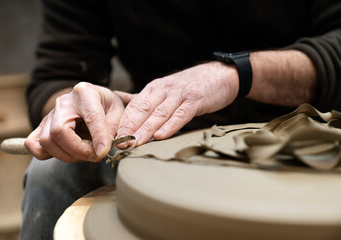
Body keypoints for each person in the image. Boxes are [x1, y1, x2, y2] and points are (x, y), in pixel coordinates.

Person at [20, 0, 341, 239]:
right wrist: (81, 114)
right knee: (51, 172)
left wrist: (236, 75)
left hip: (309, 130)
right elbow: (58, 73)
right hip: (160, 137)